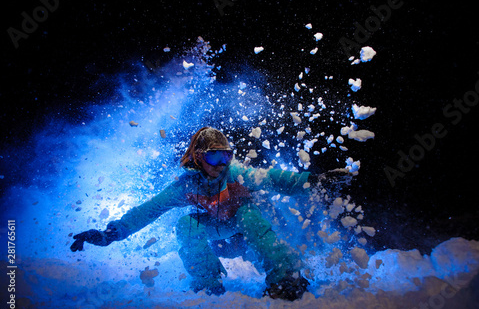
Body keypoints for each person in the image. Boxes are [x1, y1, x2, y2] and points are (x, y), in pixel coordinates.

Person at [70, 127, 345, 300]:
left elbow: (276, 178)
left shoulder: (237, 175)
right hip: (217, 230)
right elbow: (150, 209)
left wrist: (316, 180)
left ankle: (287, 278)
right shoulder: (186, 185)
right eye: (214, 157)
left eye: (227, 156)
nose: (221, 164)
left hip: (245, 224)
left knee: (247, 215)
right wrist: (111, 234)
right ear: (199, 157)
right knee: (185, 225)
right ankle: (208, 283)